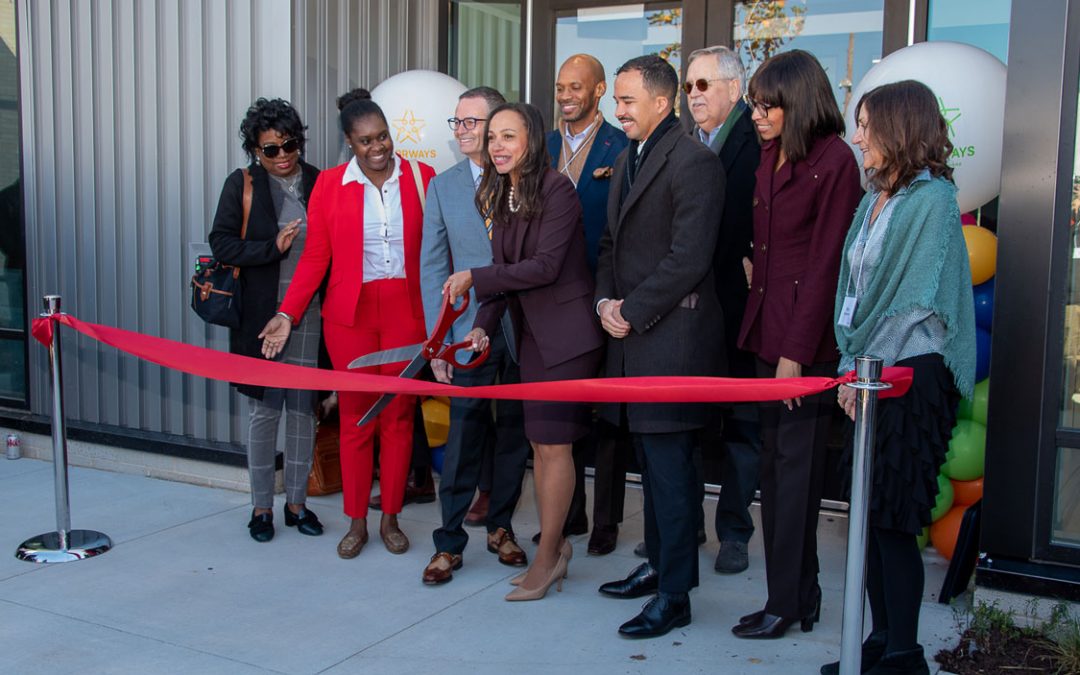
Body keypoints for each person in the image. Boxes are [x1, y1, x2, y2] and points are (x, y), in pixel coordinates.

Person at [826, 80, 976, 675]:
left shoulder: (933, 199)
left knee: (892, 519)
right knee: (865, 520)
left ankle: (903, 656)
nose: (857, 136)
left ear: (899, 127)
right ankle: (874, 646)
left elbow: (912, 303)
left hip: (911, 375)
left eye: (866, 124)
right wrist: (849, 369)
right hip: (865, 373)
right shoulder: (873, 199)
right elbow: (856, 293)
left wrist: (861, 374)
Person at [259, 98, 435, 559]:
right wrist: (287, 313)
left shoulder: (420, 178)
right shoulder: (331, 186)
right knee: (358, 418)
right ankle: (356, 520)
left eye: (382, 137)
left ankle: (391, 518)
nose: (378, 147)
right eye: (366, 140)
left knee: (397, 419)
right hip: (349, 316)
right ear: (349, 143)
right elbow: (316, 256)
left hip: (406, 312)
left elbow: (439, 251)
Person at [443, 102, 604, 602]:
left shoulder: (557, 190)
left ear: (532, 140)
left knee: (553, 448)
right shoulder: (504, 192)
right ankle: (554, 551)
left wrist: (475, 278)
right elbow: (503, 270)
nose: (497, 146)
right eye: (492, 138)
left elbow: (544, 267)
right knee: (541, 447)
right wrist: (483, 327)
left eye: (508, 137)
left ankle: (549, 555)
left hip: (567, 339)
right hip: (531, 337)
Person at [594, 54, 725, 639]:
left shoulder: (695, 162)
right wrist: (604, 304)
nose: (616, 110)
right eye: (616, 100)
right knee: (651, 468)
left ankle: (676, 595)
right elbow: (607, 246)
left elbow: (688, 259)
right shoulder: (627, 159)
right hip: (630, 340)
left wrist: (631, 311)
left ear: (661, 102)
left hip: (670, 343)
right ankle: (658, 566)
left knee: (671, 476)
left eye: (625, 100)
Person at [733, 49, 862, 640]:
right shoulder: (767, 152)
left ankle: (788, 602)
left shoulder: (836, 162)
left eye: (767, 105)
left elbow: (826, 263)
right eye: (755, 104)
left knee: (796, 480)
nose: (756, 114)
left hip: (804, 346)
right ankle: (793, 596)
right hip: (766, 330)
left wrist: (795, 348)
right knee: (775, 476)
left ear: (799, 102)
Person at [419, 86, 533, 585]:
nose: (463, 131)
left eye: (472, 123)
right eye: (457, 123)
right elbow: (432, 268)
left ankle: (502, 528)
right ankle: (448, 543)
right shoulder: (443, 187)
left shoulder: (525, 182)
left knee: (512, 435)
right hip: (466, 333)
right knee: (463, 435)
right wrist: (437, 339)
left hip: (522, 330)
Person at [208, 98, 323, 543]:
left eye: (289, 144)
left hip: (309, 313)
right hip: (260, 315)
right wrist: (269, 248)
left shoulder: (318, 181)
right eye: (269, 149)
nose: (282, 155)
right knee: (263, 411)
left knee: (302, 411)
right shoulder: (242, 184)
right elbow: (221, 244)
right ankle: (261, 507)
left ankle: (297, 503)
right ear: (255, 150)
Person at [545, 53, 629, 556]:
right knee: (564, 409)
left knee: (609, 414)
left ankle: (606, 522)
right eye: (560, 87)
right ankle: (569, 515)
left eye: (576, 87)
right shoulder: (547, 145)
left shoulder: (622, 145)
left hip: (603, 296)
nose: (566, 96)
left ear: (599, 91)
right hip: (553, 302)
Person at [684, 45, 762, 574]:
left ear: (734, 88)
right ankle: (683, 526)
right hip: (689, 312)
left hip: (740, 309)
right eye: (689, 86)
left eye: (703, 85)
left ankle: (733, 531)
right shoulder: (688, 145)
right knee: (684, 421)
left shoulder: (758, 143)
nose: (693, 96)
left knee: (742, 428)